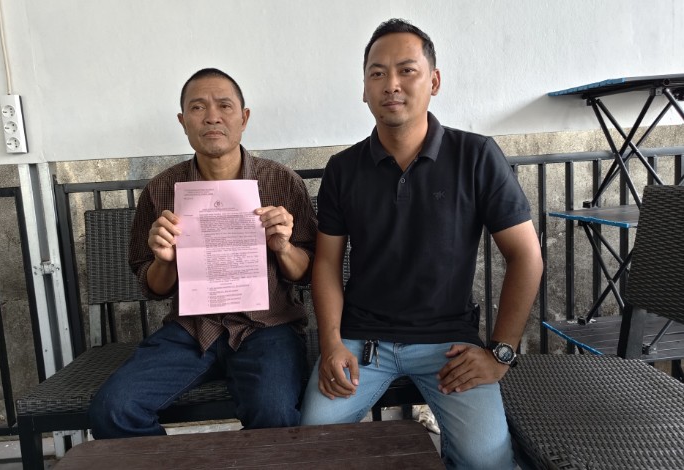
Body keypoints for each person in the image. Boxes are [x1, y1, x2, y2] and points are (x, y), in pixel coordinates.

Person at [299, 19, 543, 469]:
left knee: (487, 461)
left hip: (448, 345)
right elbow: (327, 264)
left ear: (434, 81)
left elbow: (526, 255)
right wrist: (331, 342)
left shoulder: (476, 156)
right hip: (362, 342)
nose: (391, 84)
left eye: (406, 70)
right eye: (377, 73)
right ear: (364, 89)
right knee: (311, 444)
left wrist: (500, 352)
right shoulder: (343, 169)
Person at [89, 68, 317, 438]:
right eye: (198, 107)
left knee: (274, 413)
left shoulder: (281, 182)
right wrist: (164, 260)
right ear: (183, 122)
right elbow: (153, 287)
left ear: (244, 118)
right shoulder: (162, 189)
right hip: (192, 329)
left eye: (224, 106)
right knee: (114, 409)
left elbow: (306, 271)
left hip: (268, 327)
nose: (212, 117)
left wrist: (284, 248)